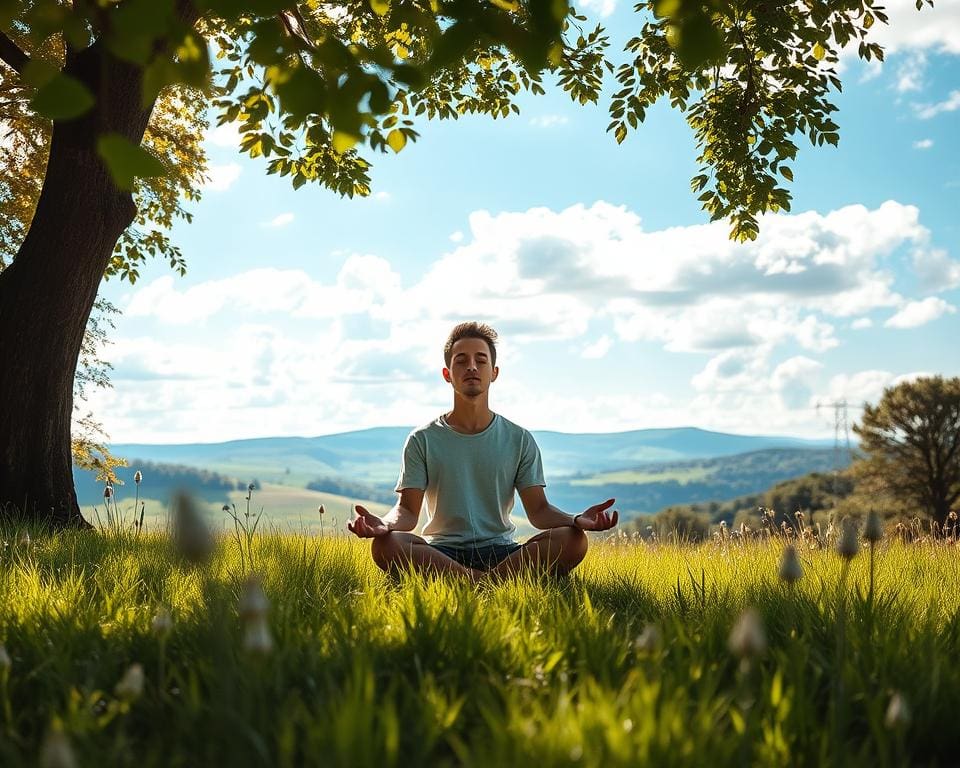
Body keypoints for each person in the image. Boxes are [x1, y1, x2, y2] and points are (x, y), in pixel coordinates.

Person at [347, 321, 618, 580]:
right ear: (447, 374)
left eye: (481, 360)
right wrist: (385, 524)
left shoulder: (519, 439)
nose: (472, 367)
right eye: (461, 360)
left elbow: (539, 511)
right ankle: (494, 583)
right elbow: (407, 511)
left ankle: (468, 582)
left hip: (503, 553)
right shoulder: (422, 439)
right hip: (442, 553)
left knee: (572, 539)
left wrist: (576, 519)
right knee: (387, 545)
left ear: (494, 373)